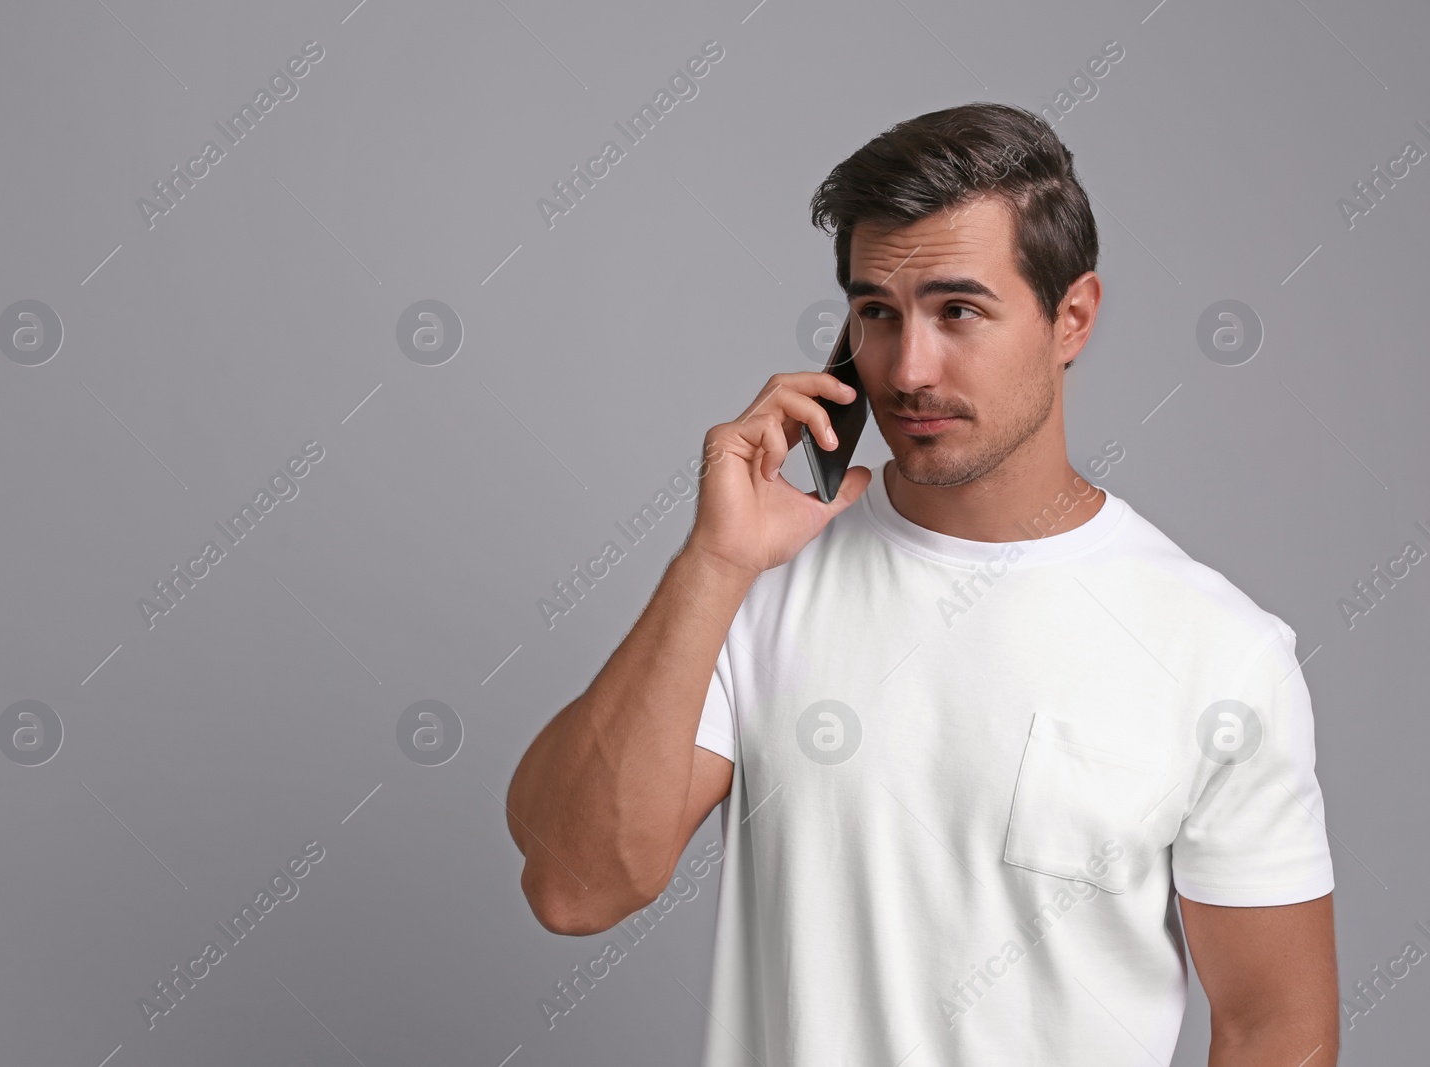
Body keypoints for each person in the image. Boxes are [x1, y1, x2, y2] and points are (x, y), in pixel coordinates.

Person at [504, 102, 1338, 1066]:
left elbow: (1277, 1026)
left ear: (1071, 317)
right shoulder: (761, 587)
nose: (908, 367)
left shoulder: (1219, 650)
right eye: (876, 313)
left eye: (959, 310)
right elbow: (573, 886)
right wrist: (714, 562)